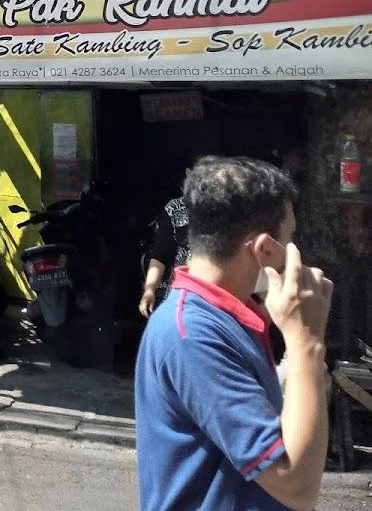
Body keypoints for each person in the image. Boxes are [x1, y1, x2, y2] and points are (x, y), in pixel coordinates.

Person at [135, 156, 333, 511]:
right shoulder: (192, 334)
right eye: (290, 237)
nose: (295, 252)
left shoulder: (224, 316)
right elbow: (297, 486)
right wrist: (308, 343)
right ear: (264, 249)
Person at [139, 186, 190, 317]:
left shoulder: (230, 208)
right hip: (182, 297)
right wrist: (150, 290)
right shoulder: (175, 208)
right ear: (188, 173)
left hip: (222, 293)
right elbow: (161, 254)